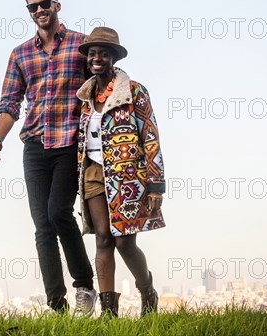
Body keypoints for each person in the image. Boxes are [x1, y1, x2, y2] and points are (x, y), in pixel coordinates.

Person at [0, 0, 97, 315]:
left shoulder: (80, 45)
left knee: (58, 212)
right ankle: (56, 304)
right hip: (34, 146)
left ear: (57, 6)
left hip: (68, 144)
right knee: (42, 226)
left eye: (44, 4)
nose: (39, 11)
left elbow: (103, 81)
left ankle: (84, 287)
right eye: (33, 7)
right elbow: (9, 104)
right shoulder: (20, 54)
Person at [75, 27, 166, 317]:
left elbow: (150, 136)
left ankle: (147, 291)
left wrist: (156, 185)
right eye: (92, 54)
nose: (96, 58)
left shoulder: (135, 91)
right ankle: (109, 313)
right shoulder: (86, 98)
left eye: (103, 53)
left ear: (113, 58)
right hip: (93, 173)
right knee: (102, 239)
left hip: (128, 176)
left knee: (125, 242)